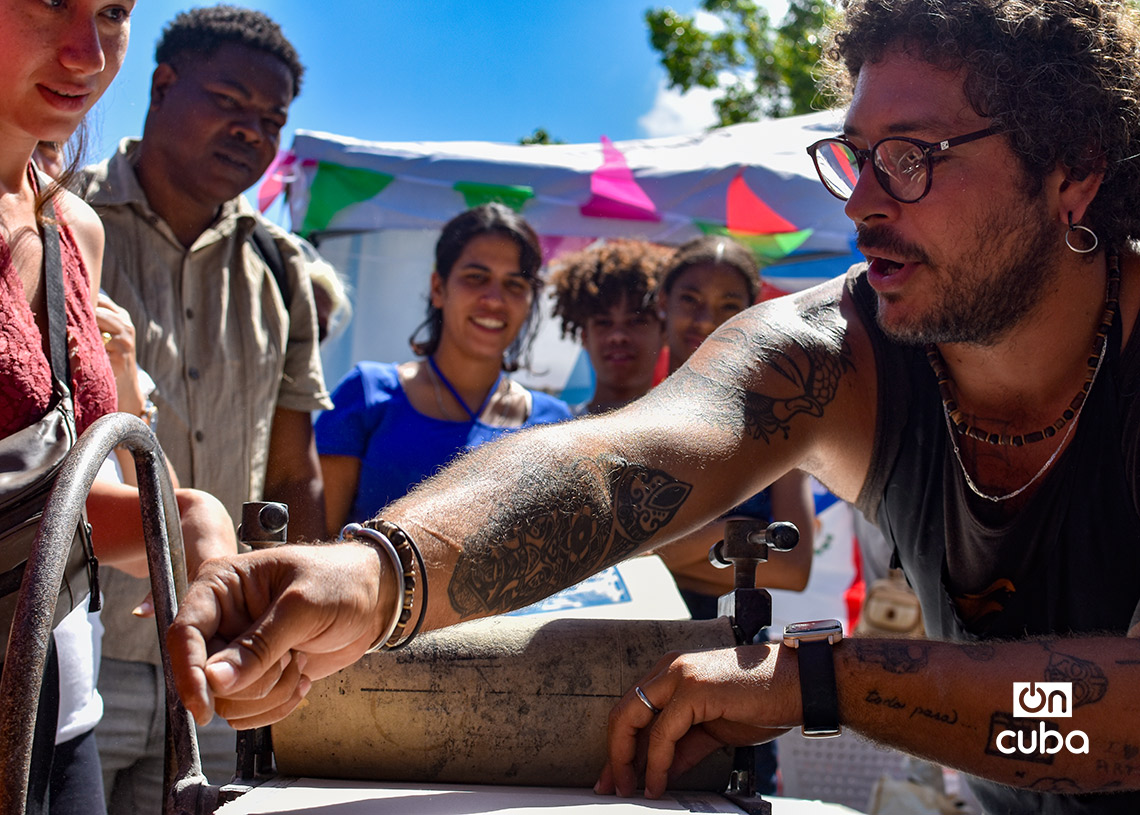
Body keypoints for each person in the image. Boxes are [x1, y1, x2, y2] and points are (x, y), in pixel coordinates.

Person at [166, 0, 1140, 812]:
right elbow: (624, 461)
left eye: (915, 157)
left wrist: (821, 679)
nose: (863, 204)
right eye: (856, 156)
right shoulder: (842, 352)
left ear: (1074, 168)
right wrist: (377, 575)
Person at [78, 6, 330, 808]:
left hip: (224, 670)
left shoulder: (284, 270)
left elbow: (293, 468)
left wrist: (290, 632)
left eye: (272, 120)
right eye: (230, 101)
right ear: (161, 85)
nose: (251, 133)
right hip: (71, 653)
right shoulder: (55, 223)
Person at [0, 3, 234, 813]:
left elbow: (40, 507)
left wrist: (188, 520)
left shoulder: (72, 228)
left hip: (60, 728)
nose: (87, 51)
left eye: (112, 11)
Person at [316, 203, 572, 534]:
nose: (494, 299)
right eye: (476, 278)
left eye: (514, 285)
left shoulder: (555, 423)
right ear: (438, 288)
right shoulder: (366, 393)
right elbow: (315, 543)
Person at [649, 235, 815, 618]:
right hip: (641, 644)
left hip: (736, 655)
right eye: (690, 300)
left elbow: (794, 568)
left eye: (729, 306)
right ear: (663, 301)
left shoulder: (781, 432)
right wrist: (741, 534)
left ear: (748, 313)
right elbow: (613, 564)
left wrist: (660, 555)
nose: (706, 320)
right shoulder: (631, 420)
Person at [548, 240, 671, 416]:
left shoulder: (691, 434)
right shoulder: (548, 430)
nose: (618, 336)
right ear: (584, 337)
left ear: (665, 333)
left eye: (636, 321)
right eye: (603, 322)